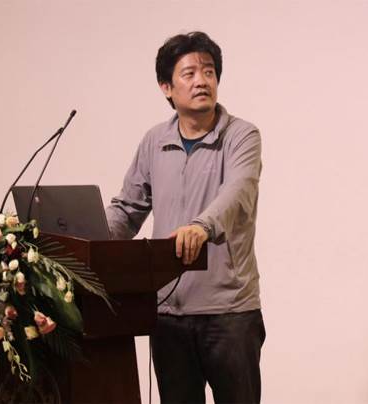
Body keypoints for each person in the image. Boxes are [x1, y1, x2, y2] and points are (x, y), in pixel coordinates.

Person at [106, 31, 266, 404]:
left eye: (208, 72)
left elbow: (237, 193)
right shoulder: (154, 141)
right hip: (168, 313)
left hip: (229, 312)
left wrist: (201, 226)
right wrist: (86, 242)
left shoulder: (241, 136)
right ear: (166, 87)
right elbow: (128, 209)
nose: (201, 81)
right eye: (189, 73)